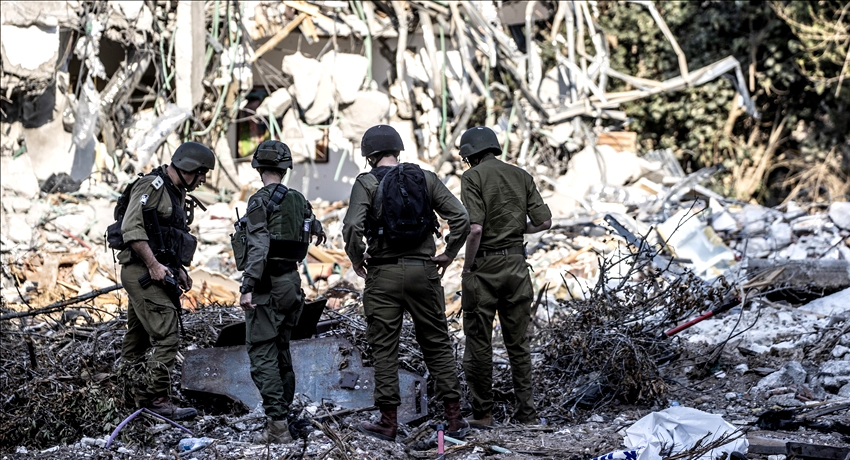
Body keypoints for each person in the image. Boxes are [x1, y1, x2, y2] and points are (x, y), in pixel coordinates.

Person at [342, 125, 471, 442]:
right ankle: (455, 419)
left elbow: (352, 226)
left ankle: (388, 423)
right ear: (397, 151)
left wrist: (357, 258)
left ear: (369, 156)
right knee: (437, 344)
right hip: (424, 271)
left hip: (382, 274)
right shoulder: (425, 178)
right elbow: (461, 218)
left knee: (385, 349)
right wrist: (449, 254)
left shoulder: (367, 182)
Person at [457, 126, 552, 427]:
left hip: (484, 268)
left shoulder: (472, 177)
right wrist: (516, 231)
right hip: (516, 266)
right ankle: (527, 414)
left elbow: (475, 229)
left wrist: (467, 267)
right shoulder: (521, 175)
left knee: (479, 345)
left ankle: (483, 414)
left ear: (470, 155)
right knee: (518, 344)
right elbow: (544, 222)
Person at [118, 141, 215, 420]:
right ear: (188, 168)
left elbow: (165, 237)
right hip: (141, 271)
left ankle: (128, 392)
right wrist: (153, 265)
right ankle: (155, 399)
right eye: (201, 173)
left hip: (153, 269)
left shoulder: (175, 192)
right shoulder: (152, 186)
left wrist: (178, 269)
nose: (203, 180)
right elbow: (131, 229)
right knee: (167, 334)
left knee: (137, 336)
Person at [238, 140, 326, 444]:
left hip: (267, 286)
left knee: (262, 355)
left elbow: (259, 246)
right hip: (291, 283)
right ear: (285, 169)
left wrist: (248, 286)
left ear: (258, 168)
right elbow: (316, 229)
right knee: (281, 351)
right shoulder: (298, 199)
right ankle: (284, 417)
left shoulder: (259, 201)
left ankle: (277, 426)